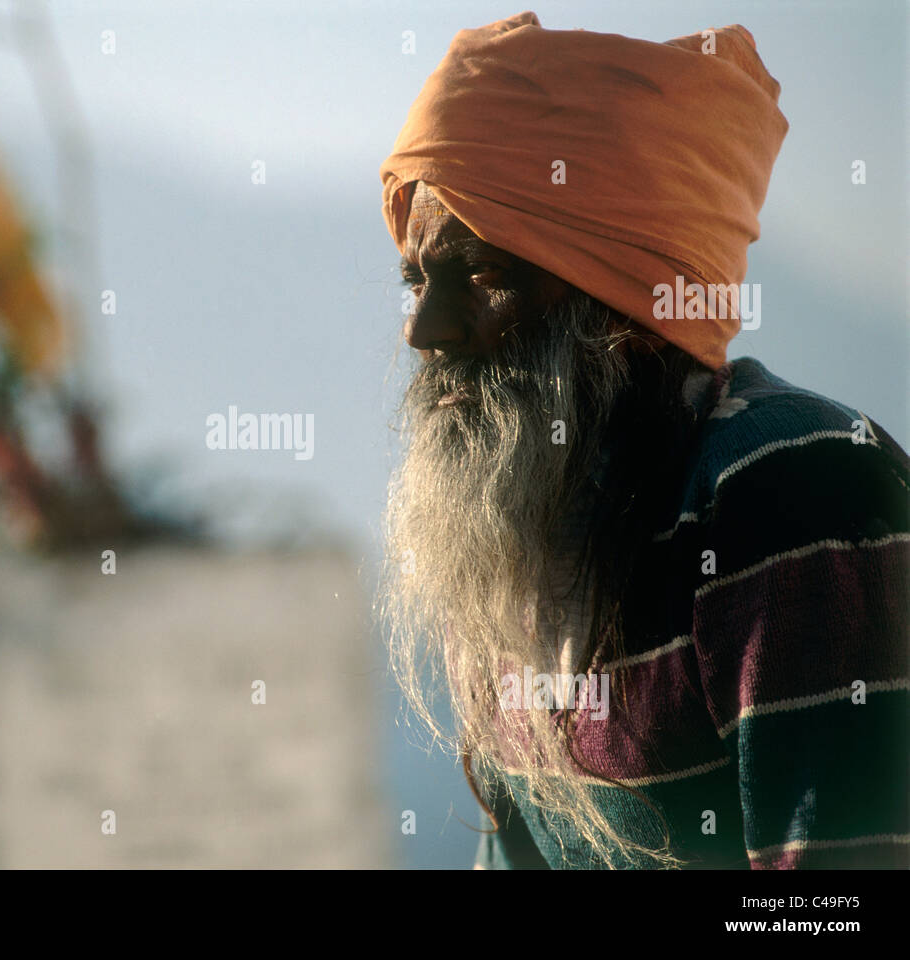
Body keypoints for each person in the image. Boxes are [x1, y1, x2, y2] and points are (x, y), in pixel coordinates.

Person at [377, 11, 909, 868]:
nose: (424, 331)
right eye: (415, 280)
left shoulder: (788, 488)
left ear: (620, 310)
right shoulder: (501, 538)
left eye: (482, 275)